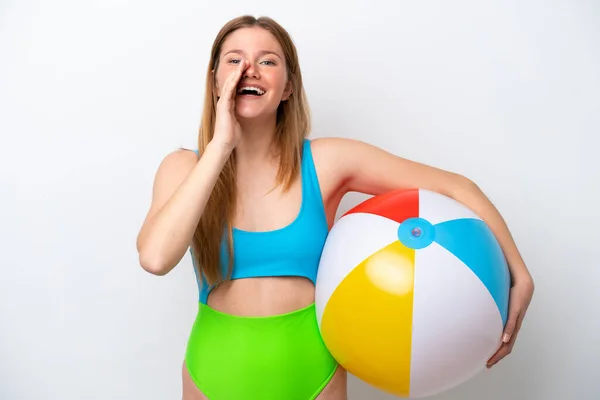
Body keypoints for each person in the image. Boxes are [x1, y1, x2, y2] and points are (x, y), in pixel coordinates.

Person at [136, 15, 535, 400]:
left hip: (314, 373)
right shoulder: (183, 167)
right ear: (216, 82)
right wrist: (221, 146)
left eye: (268, 61)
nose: (250, 70)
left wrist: (520, 275)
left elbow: (459, 187)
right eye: (235, 60)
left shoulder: (327, 162)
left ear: (288, 87)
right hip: (214, 372)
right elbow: (155, 258)